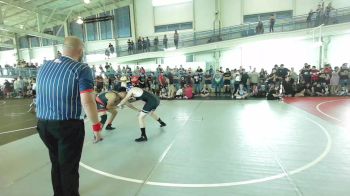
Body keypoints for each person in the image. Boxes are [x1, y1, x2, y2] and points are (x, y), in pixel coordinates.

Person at [36, 36, 102, 196]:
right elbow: (87, 101)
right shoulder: (81, 69)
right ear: (80, 51)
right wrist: (96, 126)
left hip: (43, 124)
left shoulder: (44, 66)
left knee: (56, 163)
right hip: (67, 126)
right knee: (69, 168)